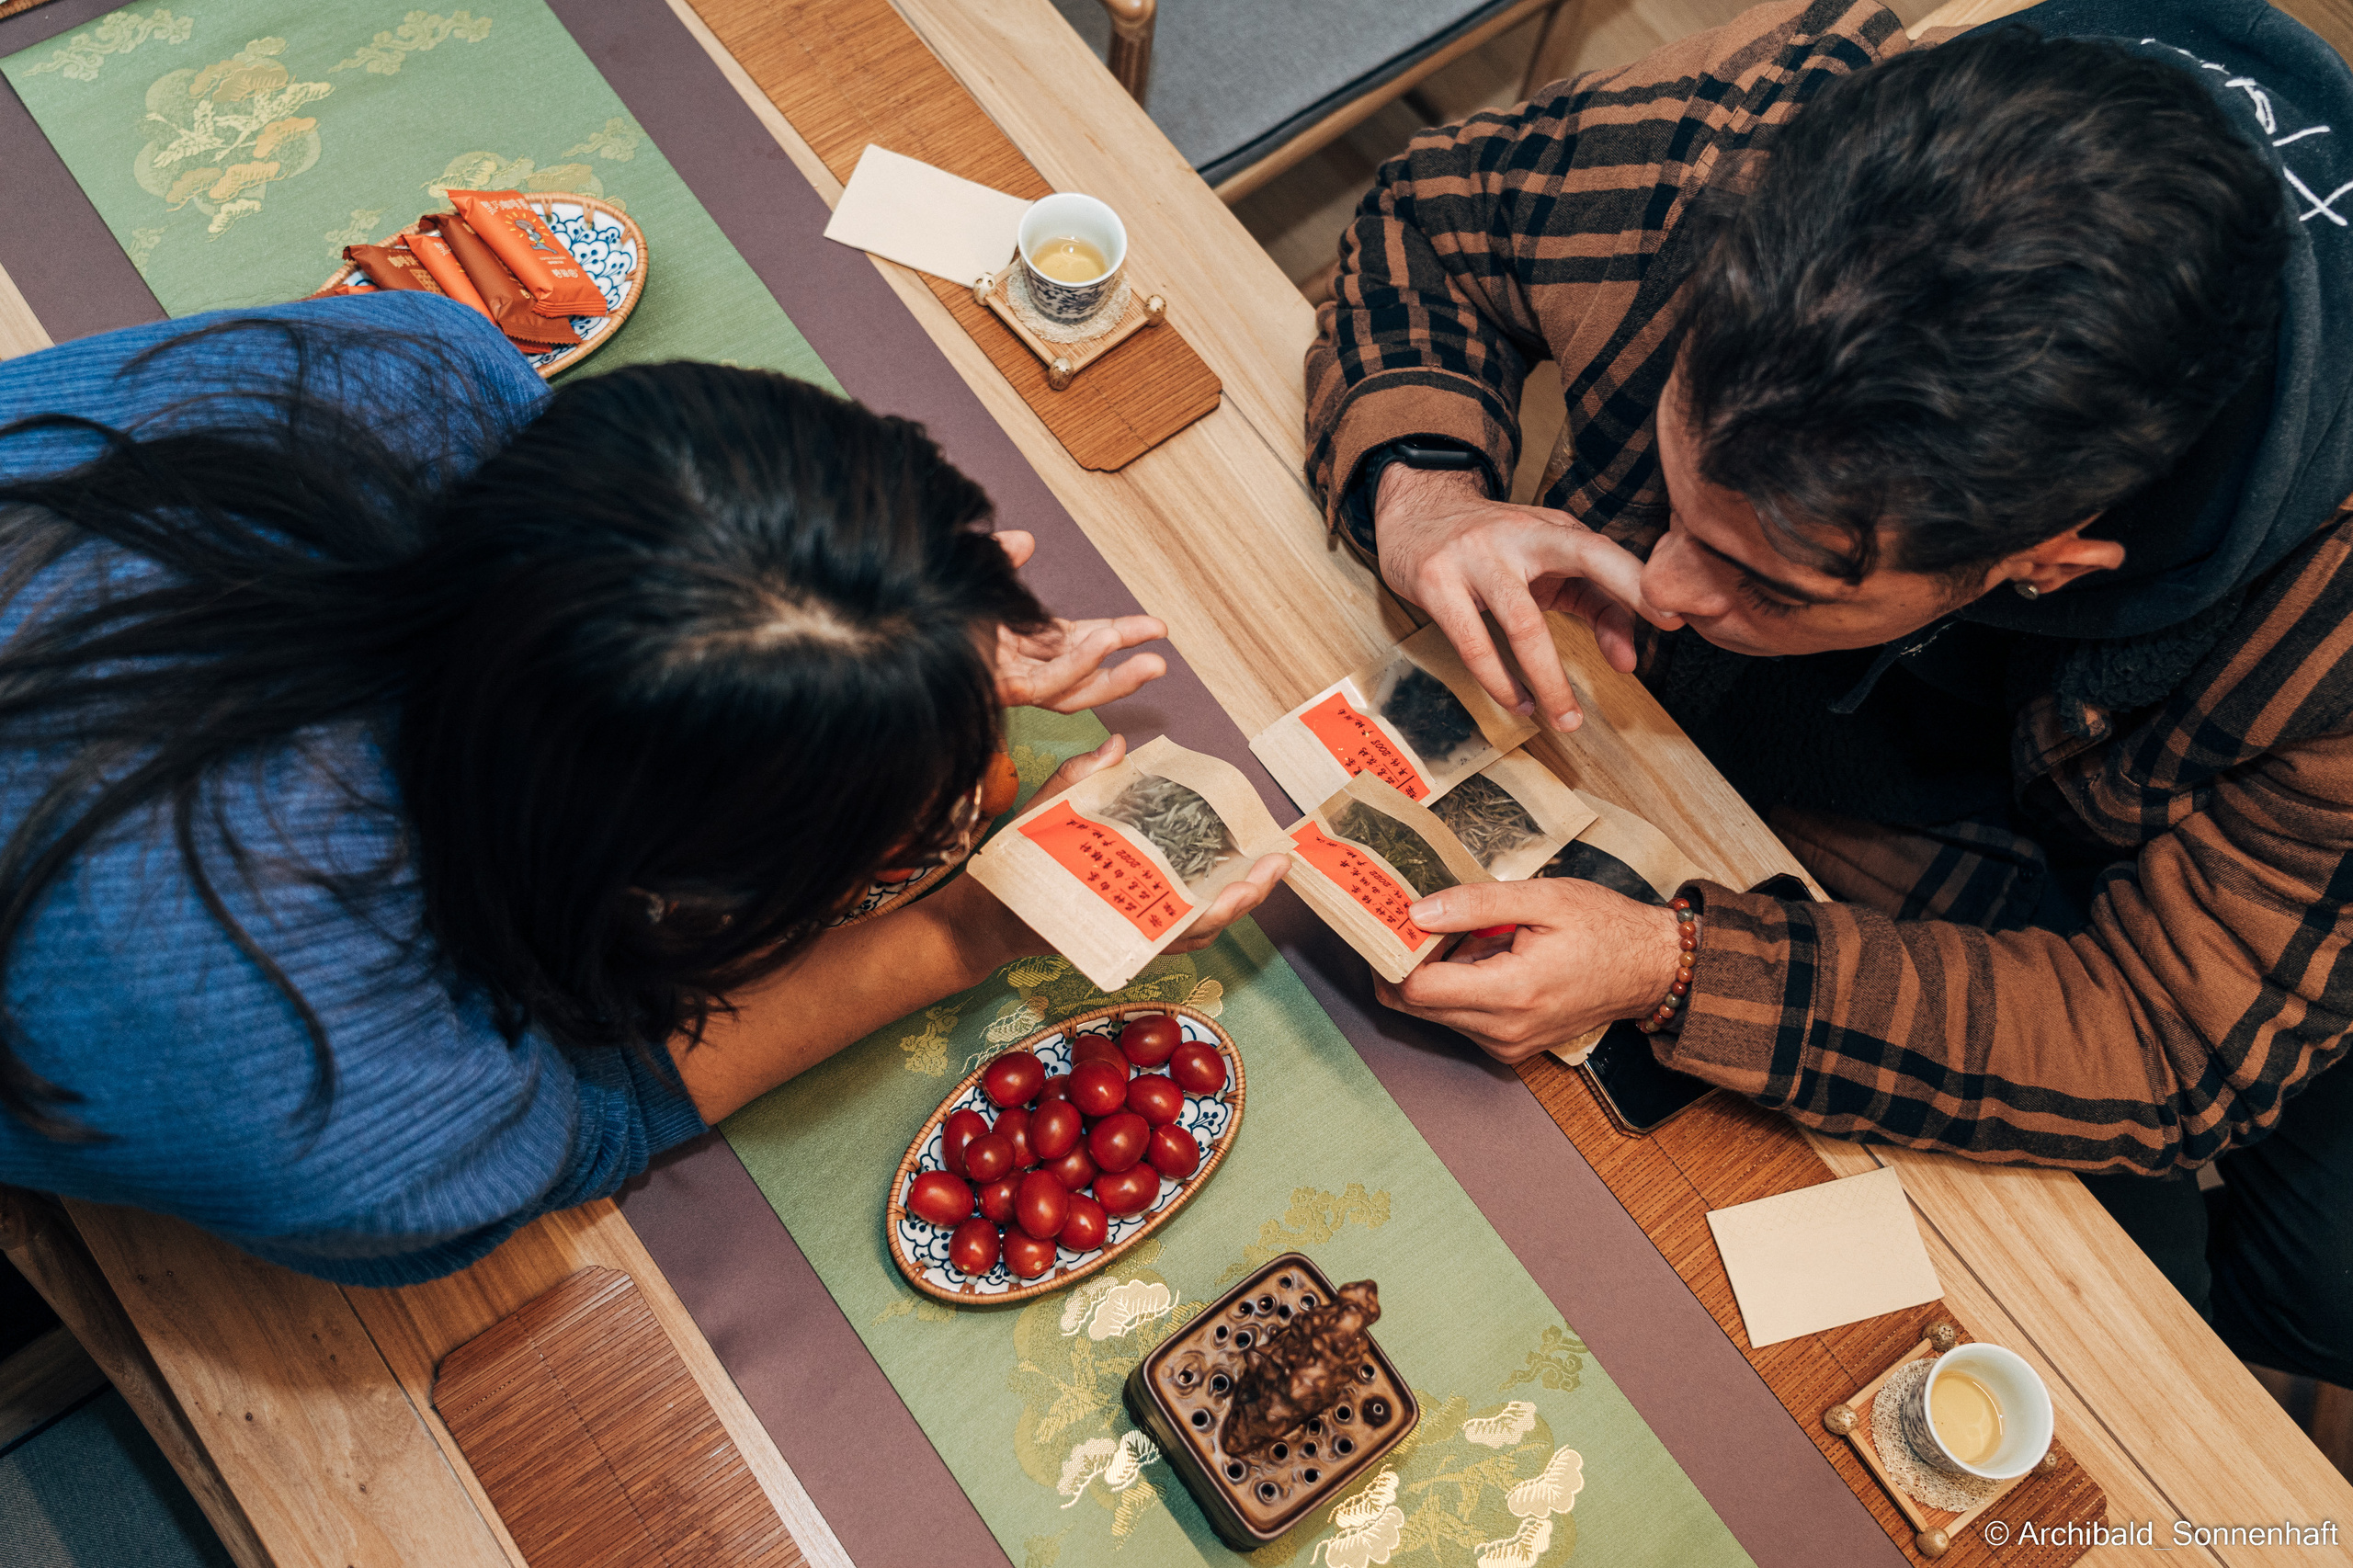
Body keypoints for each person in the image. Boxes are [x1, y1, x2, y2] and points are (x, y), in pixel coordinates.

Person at [1305, 0, 2353, 1382]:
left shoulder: (2327, 638)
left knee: (2247, 1300)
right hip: (1762, 780)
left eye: (1770, 583)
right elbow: (1431, 221)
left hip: (2053, 881)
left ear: (2046, 563)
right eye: (1675, 499)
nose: (1662, 589)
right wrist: (1428, 496)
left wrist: (1679, 966)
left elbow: (2163, 1040)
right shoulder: (1769, 139)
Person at [0, 291, 1284, 1285]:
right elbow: (604, 1114)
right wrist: (970, 925)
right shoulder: (350, 1097)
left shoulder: (422, 364)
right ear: (657, 894)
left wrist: (894, 641)